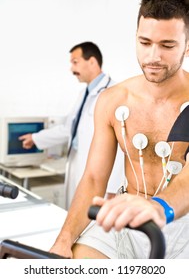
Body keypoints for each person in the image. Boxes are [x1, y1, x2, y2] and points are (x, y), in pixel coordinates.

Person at [50, 0, 189, 259]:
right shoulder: (113, 100)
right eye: (145, 43)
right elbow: (93, 178)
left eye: (167, 45)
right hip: (125, 220)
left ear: (188, 45)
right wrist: (64, 240)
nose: (153, 57)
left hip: (181, 223)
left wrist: (159, 208)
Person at [19, 41, 124, 208]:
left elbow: (119, 144)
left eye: (75, 62)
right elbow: (69, 129)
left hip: (99, 175)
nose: (71, 69)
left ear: (92, 61)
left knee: (93, 224)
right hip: (77, 163)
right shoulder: (85, 93)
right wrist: (35, 138)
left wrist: (112, 187)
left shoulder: (115, 92)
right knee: (75, 213)